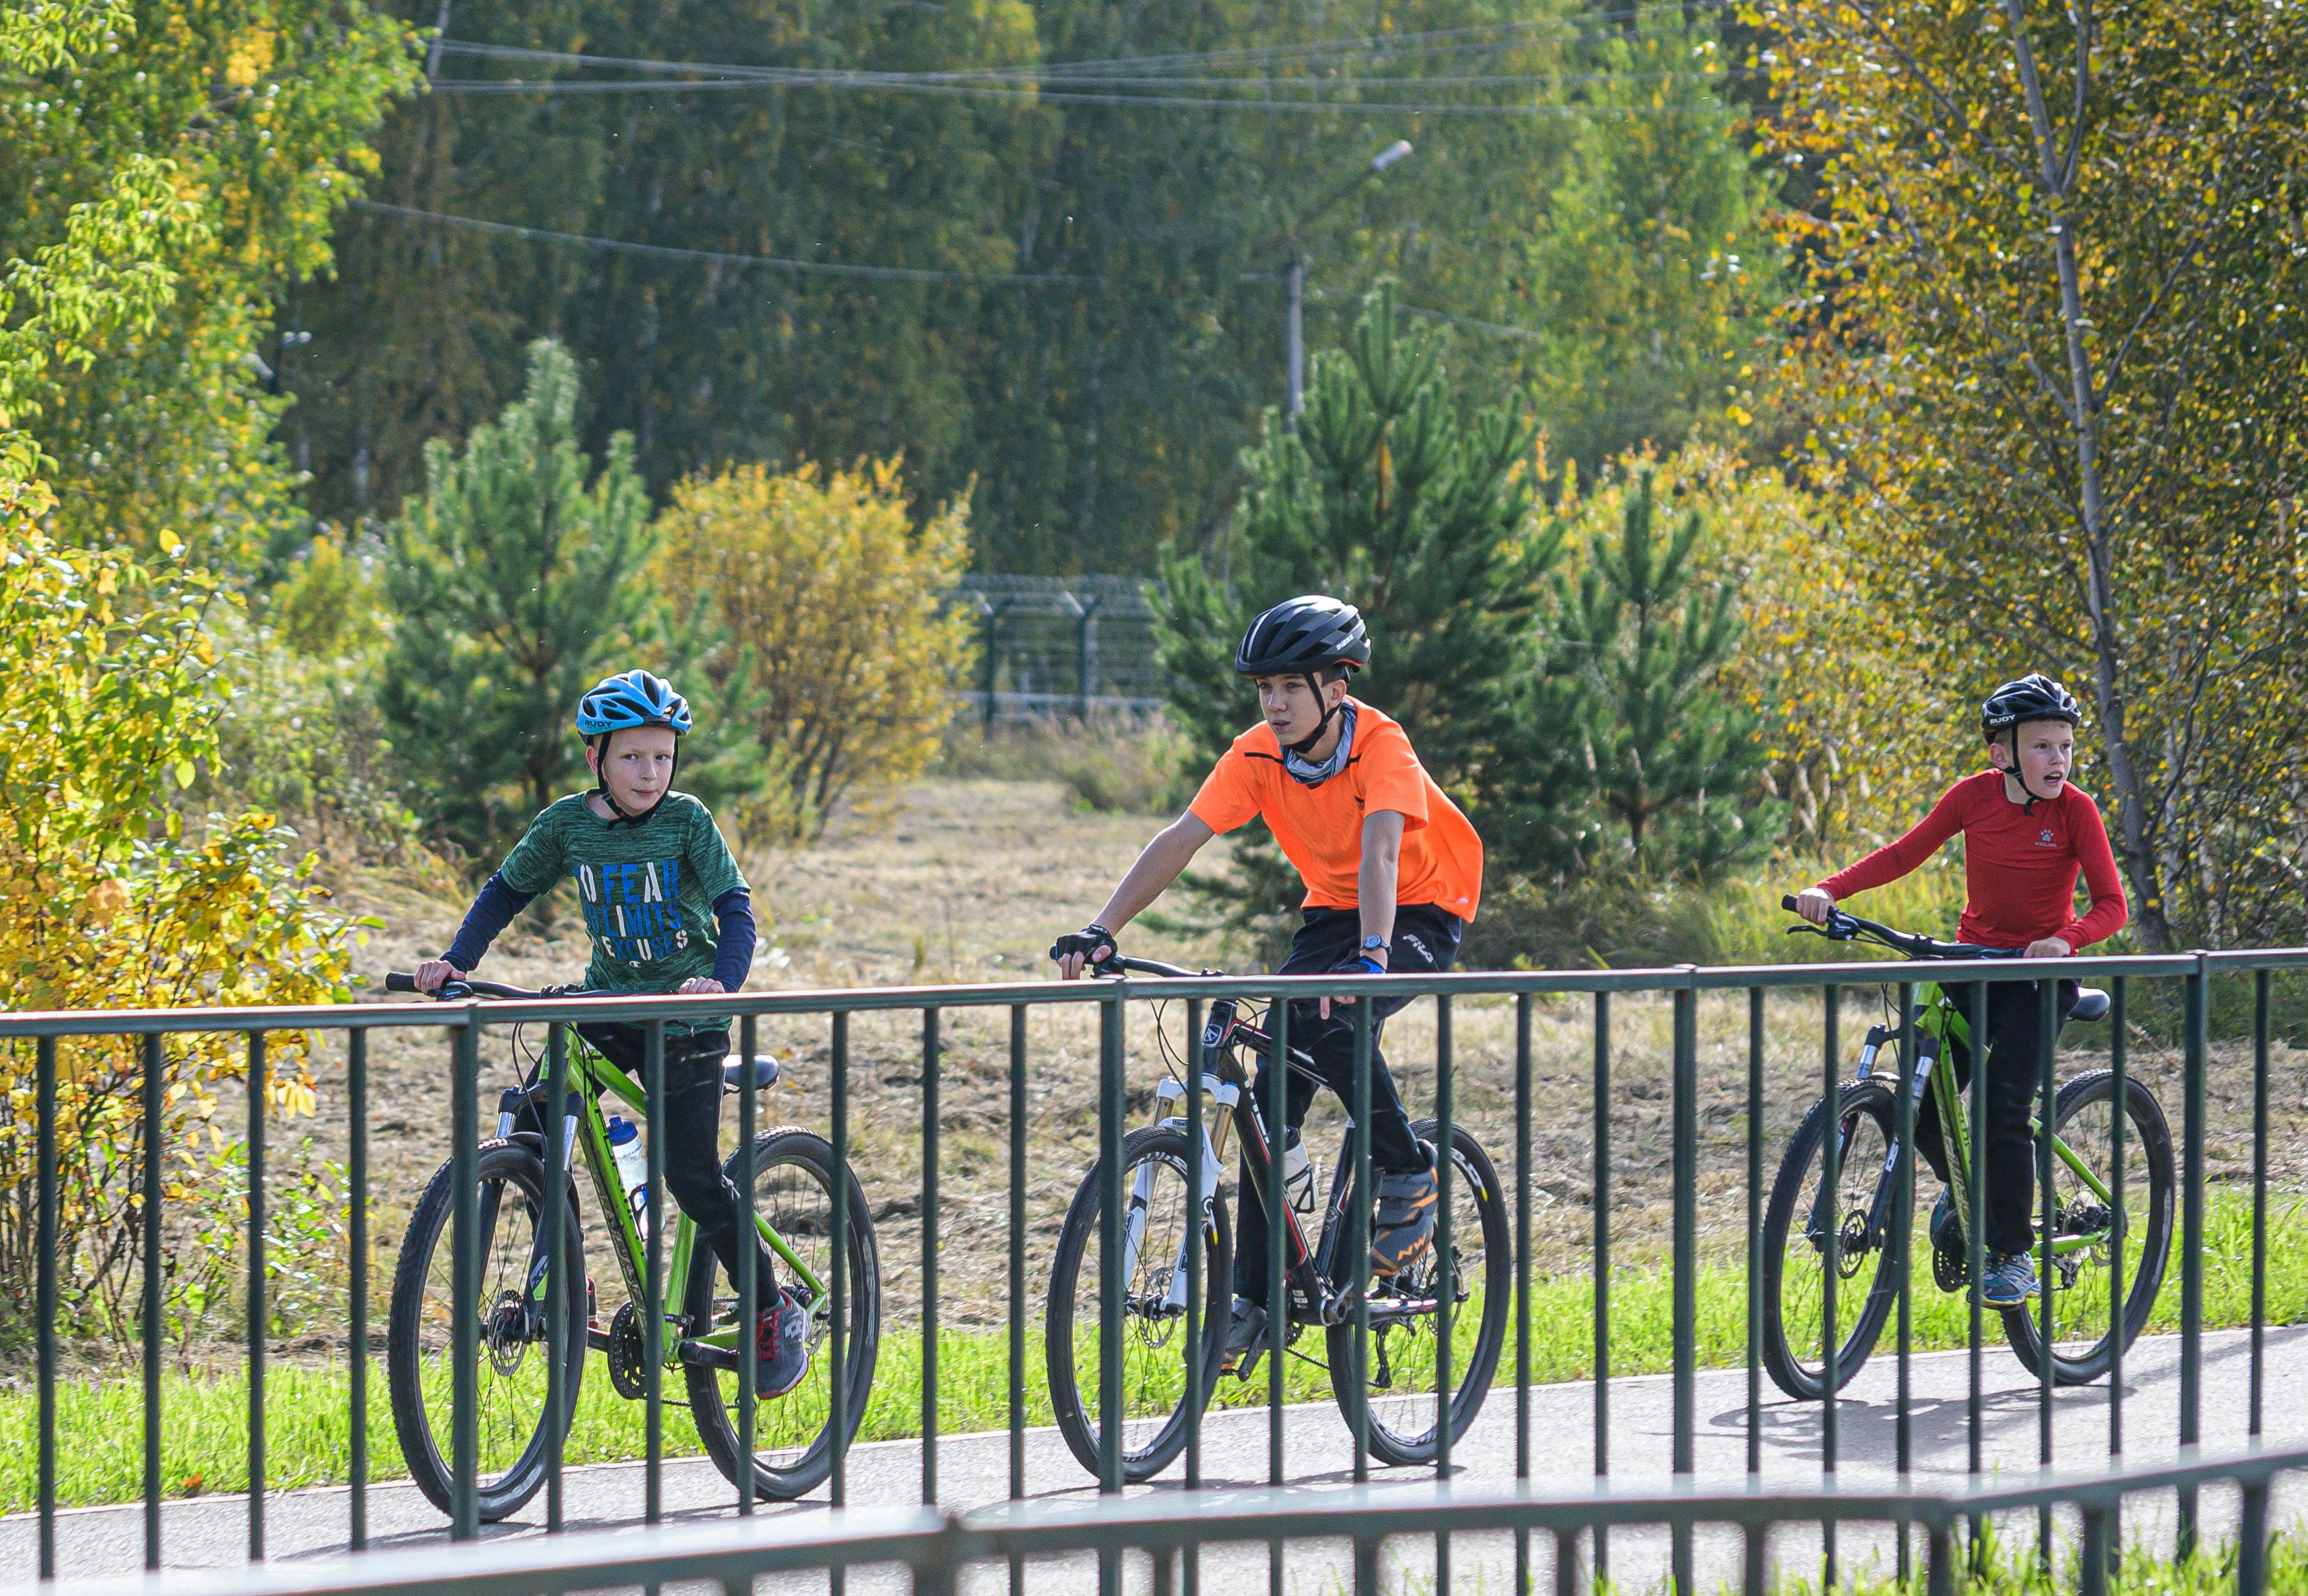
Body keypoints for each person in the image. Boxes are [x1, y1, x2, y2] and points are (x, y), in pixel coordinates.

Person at [1051, 595, 1484, 1376]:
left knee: (1336, 1020)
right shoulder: (1256, 754)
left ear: (1335, 686)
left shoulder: (1380, 744)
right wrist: (1103, 925)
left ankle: (1411, 1173)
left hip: (1420, 903)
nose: (1274, 703)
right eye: (1264, 689)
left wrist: (1375, 958)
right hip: (1331, 912)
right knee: (1265, 1093)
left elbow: (1383, 851)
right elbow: (1182, 836)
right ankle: (1253, 1298)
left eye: (1290, 686)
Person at [412, 668, 809, 1397]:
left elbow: (735, 908)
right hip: (608, 1005)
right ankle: (563, 1275)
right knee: (533, 1114)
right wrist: (455, 960)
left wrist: (720, 981)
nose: (649, 771)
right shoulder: (566, 824)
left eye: (661, 755)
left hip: (686, 1021)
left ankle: (768, 1306)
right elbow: (507, 889)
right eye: (632, 756)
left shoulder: (688, 820)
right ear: (597, 758)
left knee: (690, 1175)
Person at [1794, 673, 2127, 1309]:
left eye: (2064, 745)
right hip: (1970, 963)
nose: (2057, 758)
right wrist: (1829, 889)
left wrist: (2066, 939)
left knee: (2001, 1110)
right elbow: (1900, 854)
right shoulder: (1970, 797)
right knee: (1913, 1105)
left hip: (2035, 978)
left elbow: (2112, 904)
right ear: (2000, 752)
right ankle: (1972, 1192)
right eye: (2040, 746)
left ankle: (2011, 1255)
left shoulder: (2075, 810)